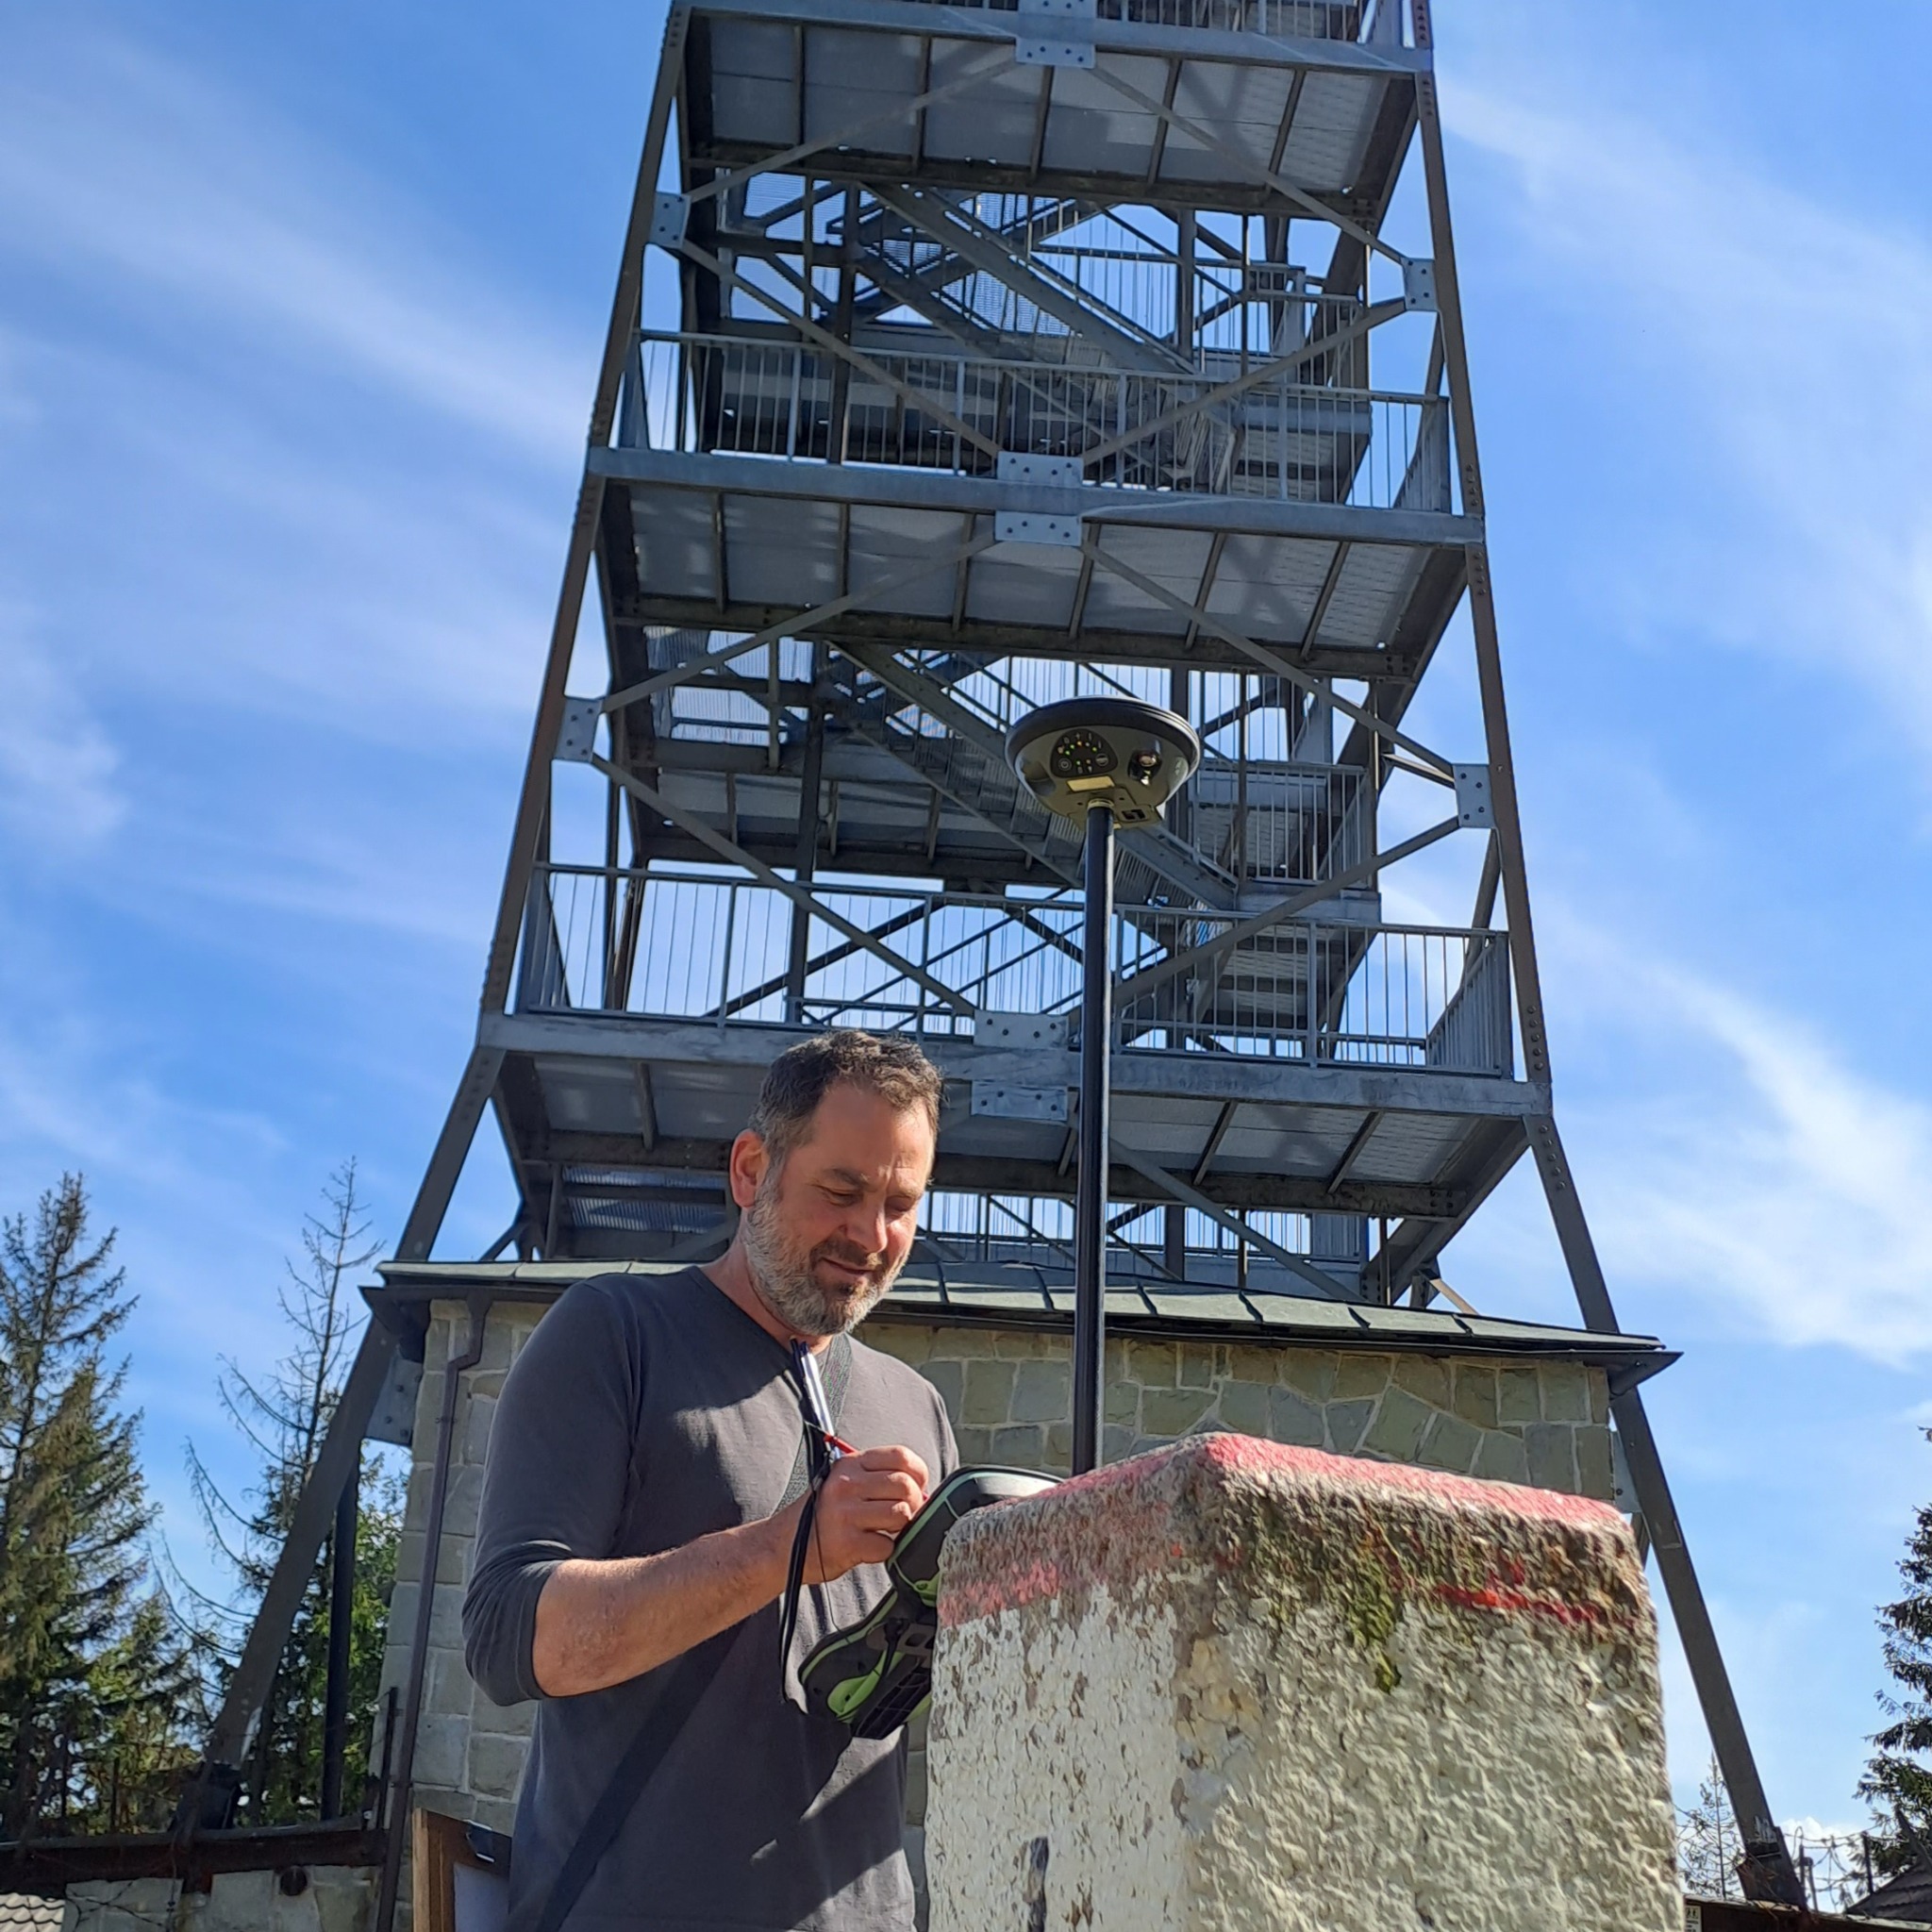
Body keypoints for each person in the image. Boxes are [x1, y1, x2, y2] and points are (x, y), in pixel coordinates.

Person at [463, 1030, 958, 1932]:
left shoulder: (916, 1406)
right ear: (749, 1170)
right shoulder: (614, 1335)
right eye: (841, 1192)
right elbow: (507, 1636)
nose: (870, 1235)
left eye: (900, 1203)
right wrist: (785, 1546)